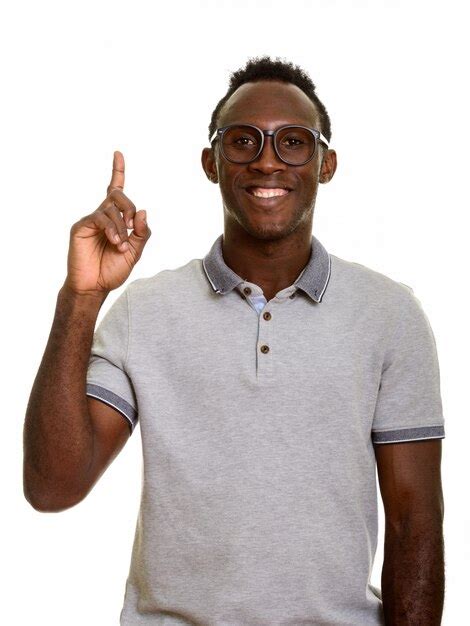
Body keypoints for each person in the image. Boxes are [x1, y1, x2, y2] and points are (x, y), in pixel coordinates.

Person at [23, 55, 445, 625]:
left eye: (293, 142)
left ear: (326, 164)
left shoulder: (389, 315)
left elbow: (414, 523)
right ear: (211, 162)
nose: (268, 161)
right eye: (243, 141)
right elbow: (52, 487)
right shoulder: (144, 312)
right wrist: (81, 296)